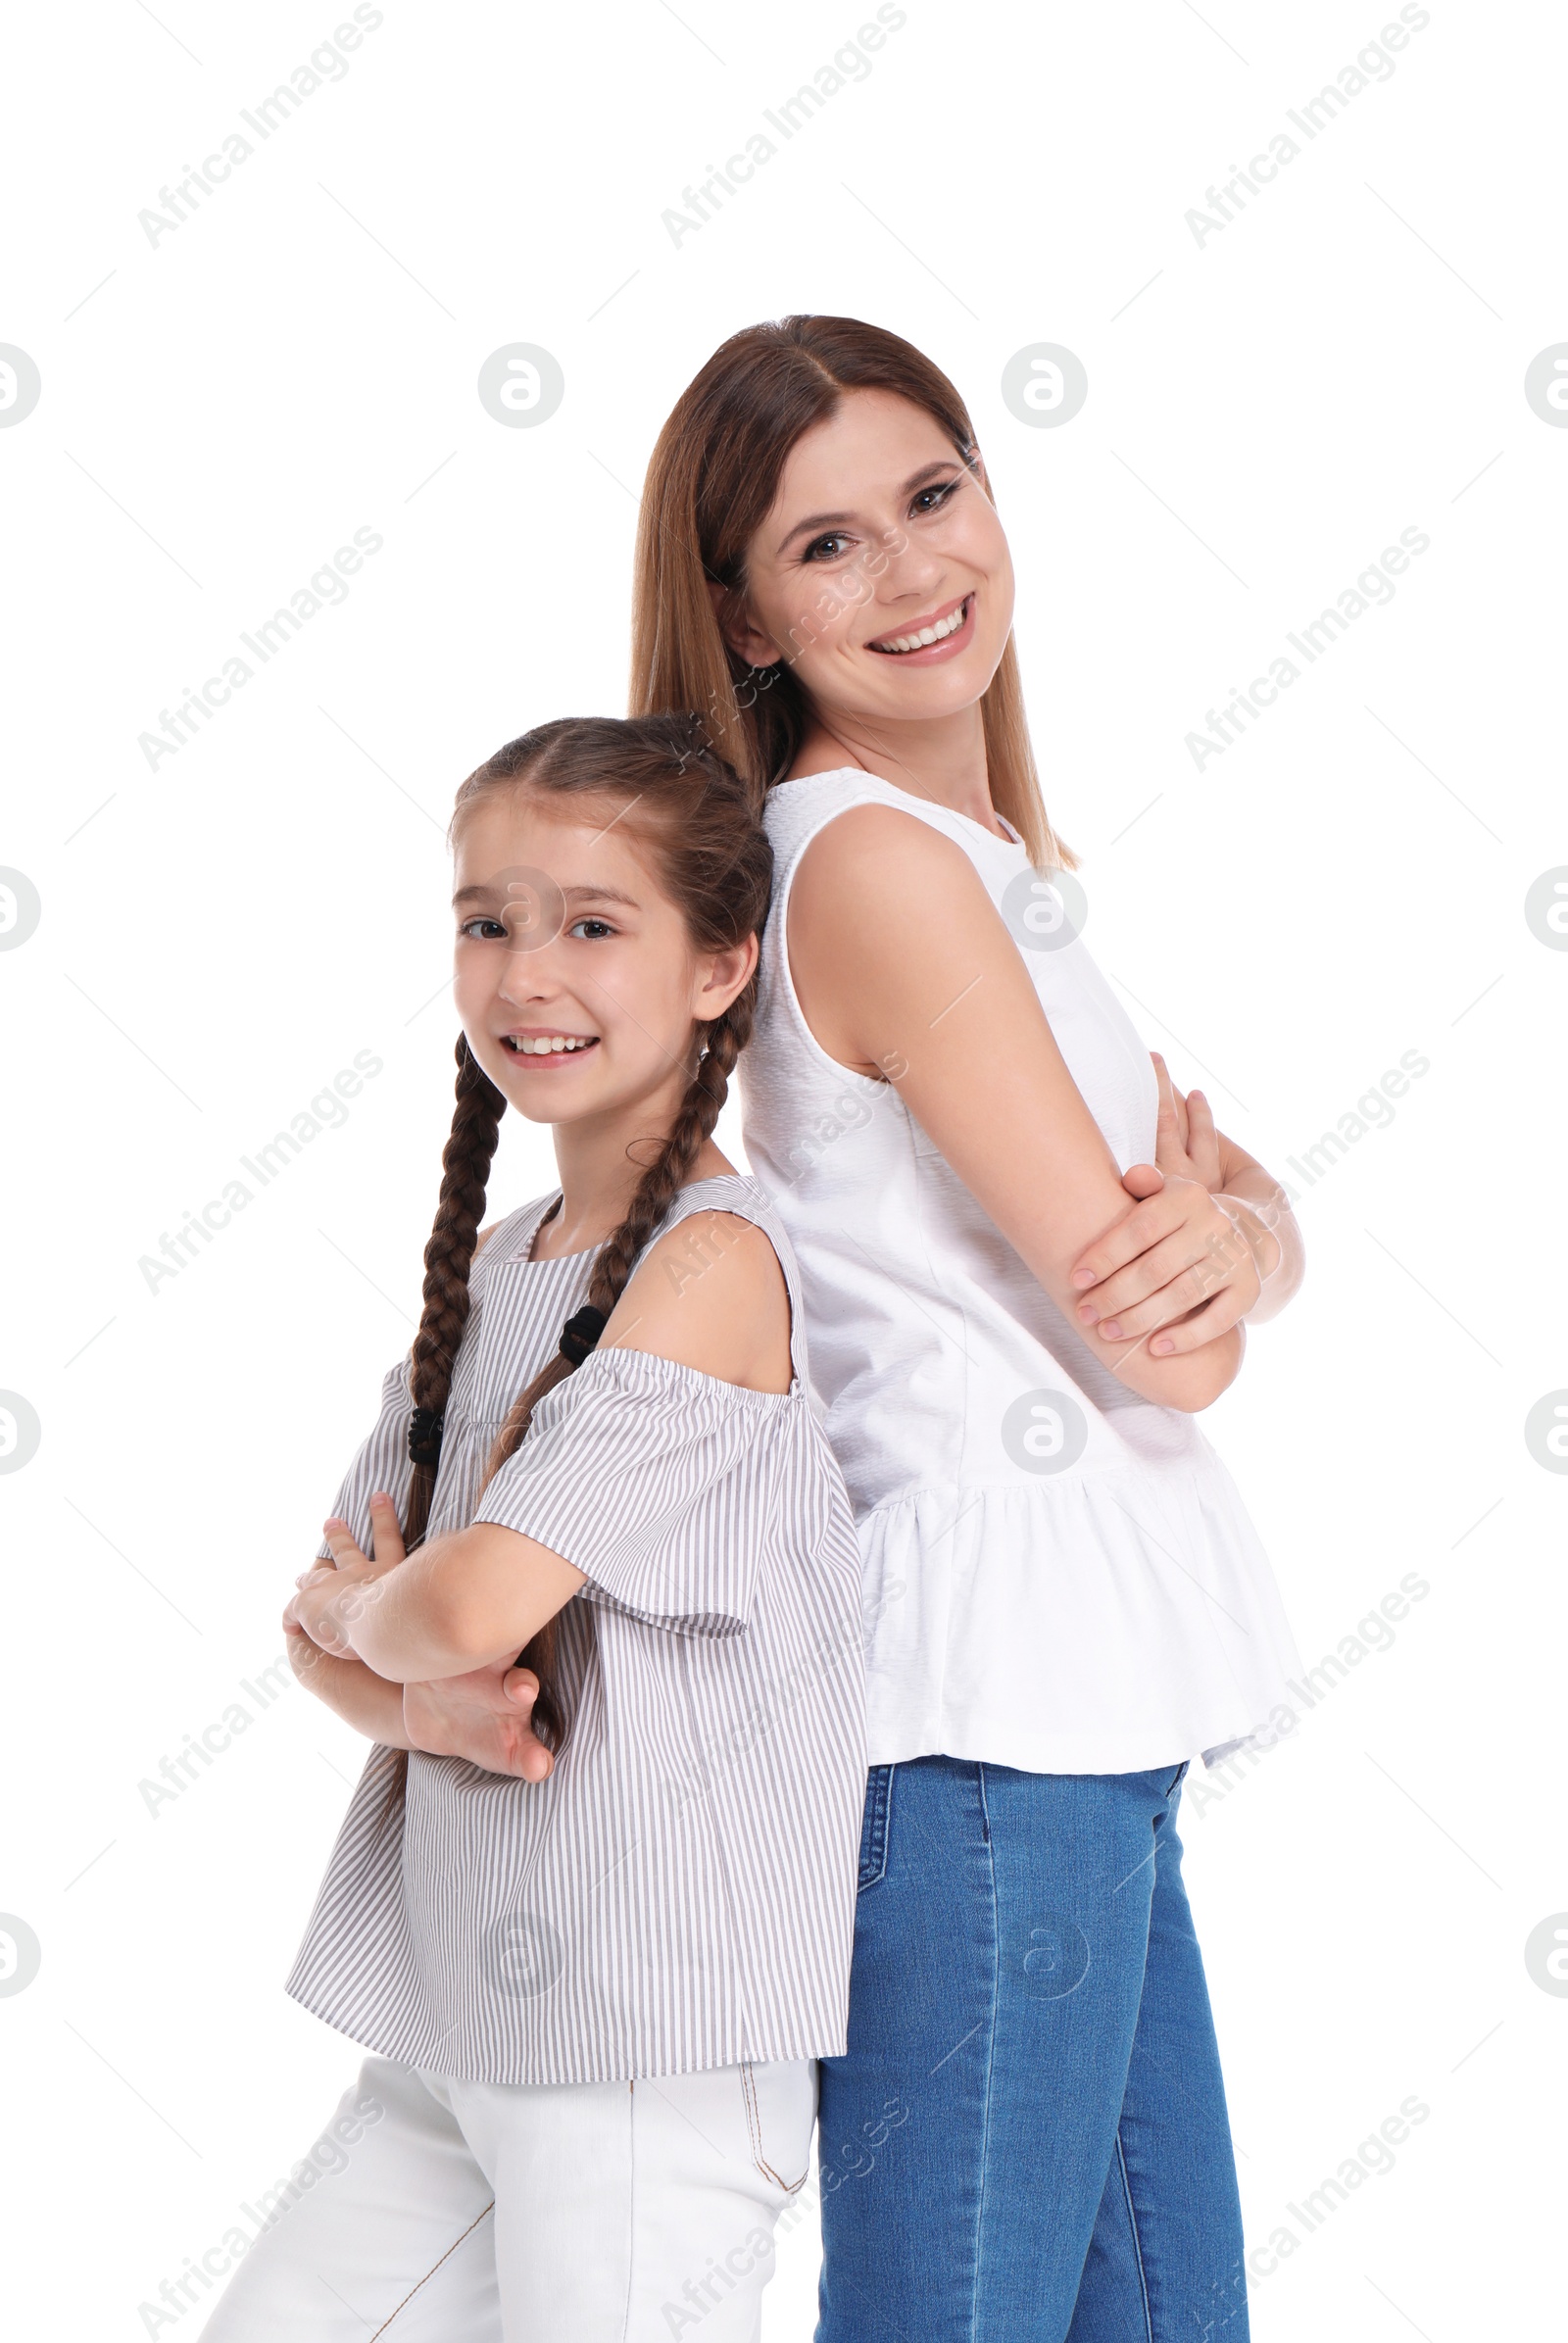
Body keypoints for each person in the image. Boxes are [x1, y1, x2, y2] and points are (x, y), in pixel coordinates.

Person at [629, 316, 1308, 2342]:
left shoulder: (991, 871)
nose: (914, 573)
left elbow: (1229, 1220)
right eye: (825, 545)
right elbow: (1164, 1337)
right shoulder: (875, 873)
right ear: (742, 620)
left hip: (1072, 1727)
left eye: (930, 495)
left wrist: (1244, 1236)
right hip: (979, 1737)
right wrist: (1226, 1252)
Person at [198, 714, 865, 2342]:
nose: (523, 975)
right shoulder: (502, 1264)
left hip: (645, 2048)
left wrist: (398, 1635)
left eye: (591, 923)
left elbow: (457, 1605)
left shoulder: (710, 1272)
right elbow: (332, 1616)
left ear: (721, 968)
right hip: (457, 2020)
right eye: (486, 923)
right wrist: (401, 1670)